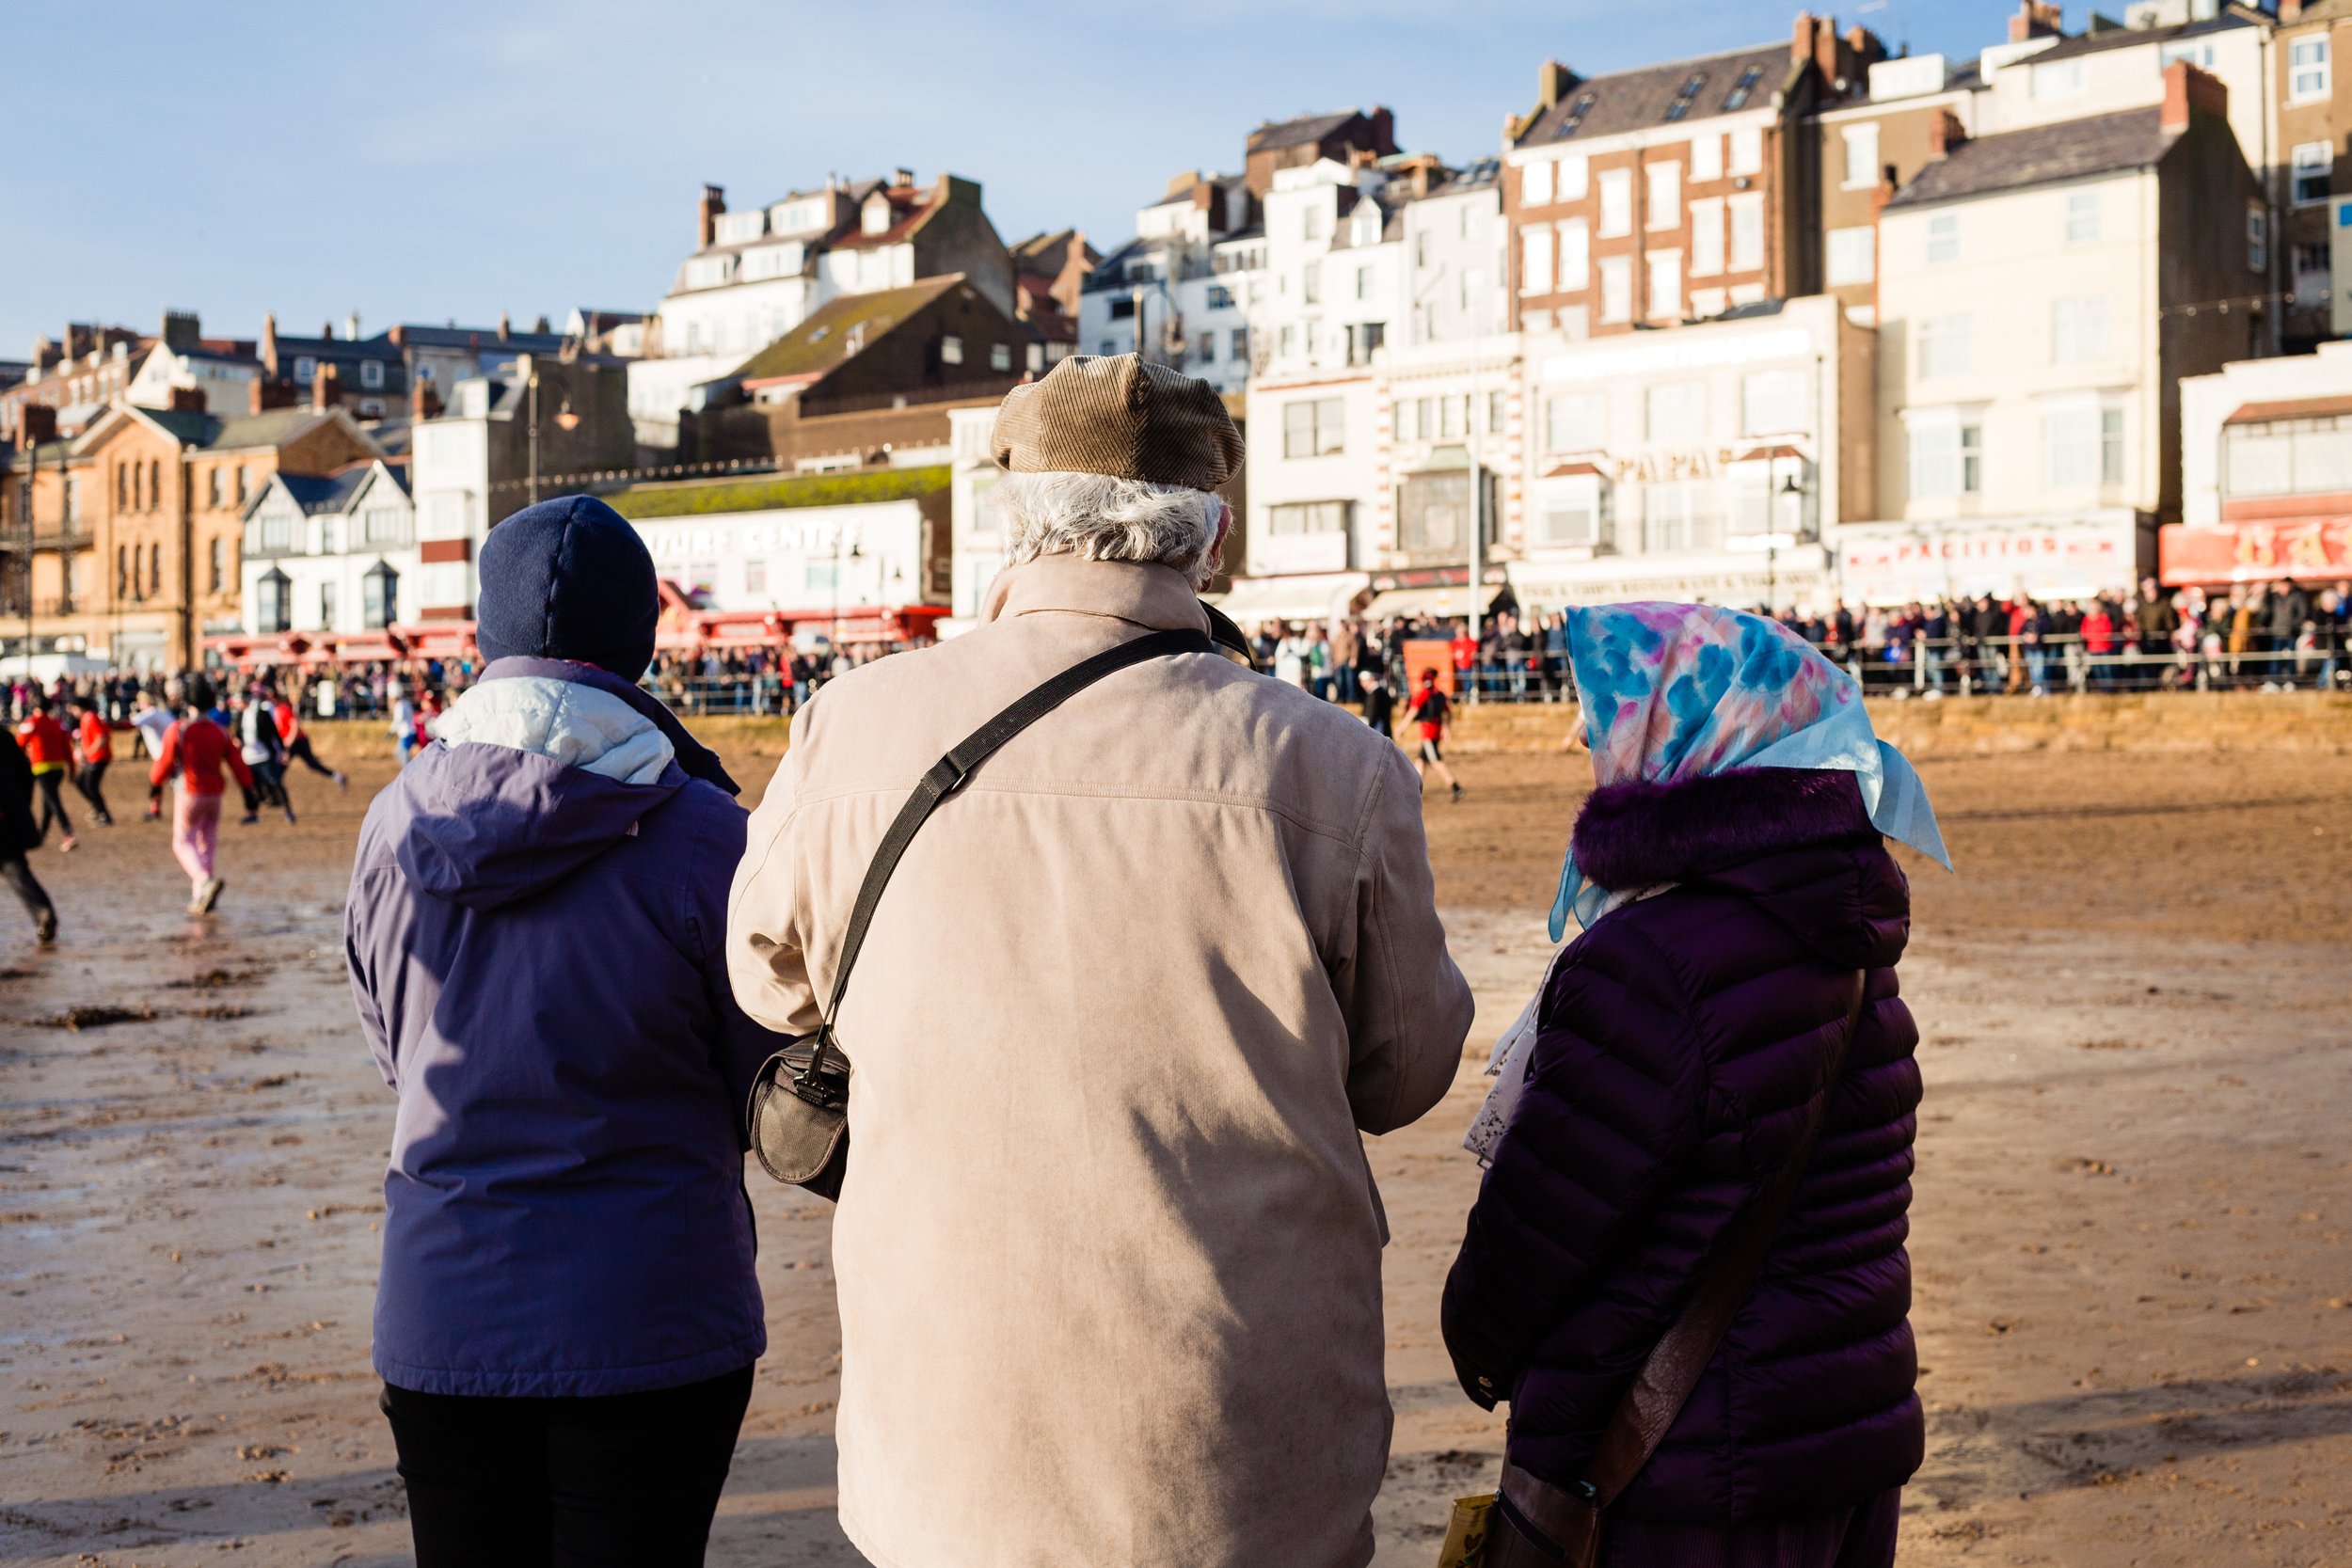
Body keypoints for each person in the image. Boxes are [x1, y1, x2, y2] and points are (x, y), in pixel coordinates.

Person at [726, 355, 1473, 1568]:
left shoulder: (850, 724)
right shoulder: (1333, 763)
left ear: (1012, 522)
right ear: (1211, 536)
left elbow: (768, 981)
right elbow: (1404, 1070)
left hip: (952, 1427)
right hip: (1237, 1437)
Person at [1445, 603, 1948, 1568]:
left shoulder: (1652, 957)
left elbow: (1543, 1226)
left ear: (1692, 737)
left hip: (1687, 1466)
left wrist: (1477, 1338)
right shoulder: (1843, 936)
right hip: (1843, 1431)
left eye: (1611, 715)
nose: (1583, 738)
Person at [345, 497, 778, 1568]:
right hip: (652, 1306)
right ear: (643, 639)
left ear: (485, 639)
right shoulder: (709, 834)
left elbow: (396, 1045)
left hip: (445, 1296)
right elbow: (760, 1076)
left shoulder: (395, 819)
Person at [149, 679, 251, 915]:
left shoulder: (180, 729)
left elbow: (163, 764)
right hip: (215, 794)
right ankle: (200, 897)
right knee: (207, 845)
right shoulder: (220, 731)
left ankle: (204, 882)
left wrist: (155, 784)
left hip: (189, 792)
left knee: (183, 842)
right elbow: (237, 765)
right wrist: (249, 793)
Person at [0, 725, 58, 944]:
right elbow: (26, 774)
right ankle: (44, 912)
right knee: (15, 868)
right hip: (10, 817)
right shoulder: (4, 736)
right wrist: (20, 805)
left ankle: (44, 914)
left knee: (13, 866)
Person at [16, 699, 77, 851]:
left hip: (41, 768)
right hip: (59, 768)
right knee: (48, 801)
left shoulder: (31, 723)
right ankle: (41, 835)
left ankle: (68, 833)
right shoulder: (57, 724)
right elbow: (67, 748)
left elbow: (18, 746)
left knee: (53, 801)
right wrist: (72, 768)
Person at [238, 687, 295, 826]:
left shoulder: (262, 714)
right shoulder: (241, 715)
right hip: (248, 757)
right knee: (250, 787)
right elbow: (240, 733)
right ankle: (252, 814)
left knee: (275, 782)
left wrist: (282, 751)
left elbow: (274, 734)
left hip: (263, 756)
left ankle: (288, 811)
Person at [276, 682, 348, 787]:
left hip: (298, 741)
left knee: (311, 764)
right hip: (291, 742)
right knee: (282, 767)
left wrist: (288, 742)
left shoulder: (283, 709)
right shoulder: (278, 709)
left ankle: (338, 776)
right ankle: (273, 788)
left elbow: (295, 725)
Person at [1407, 667, 1463, 800]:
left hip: (1427, 732)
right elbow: (1448, 713)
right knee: (1421, 761)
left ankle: (1455, 786)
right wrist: (1446, 727)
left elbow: (1413, 711)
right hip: (1435, 731)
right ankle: (1413, 789)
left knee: (1435, 760)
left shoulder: (1424, 693)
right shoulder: (1439, 694)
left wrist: (1401, 727)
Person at [68, 696, 115, 826]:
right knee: (80, 782)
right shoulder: (86, 718)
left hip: (99, 757)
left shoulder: (90, 717)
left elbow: (101, 739)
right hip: (94, 758)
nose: (72, 711)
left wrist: (87, 753)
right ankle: (97, 808)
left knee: (90, 786)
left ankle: (105, 815)